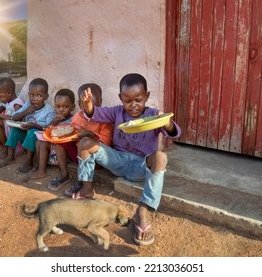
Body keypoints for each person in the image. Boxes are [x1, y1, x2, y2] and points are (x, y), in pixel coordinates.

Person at [75, 73, 181, 246]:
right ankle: (87, 188)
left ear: (147, 96)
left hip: (142, 165)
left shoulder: (153, 115)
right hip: (117, 161)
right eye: (127, 101)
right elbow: (95, 113)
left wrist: (165, 121)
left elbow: (174, 132)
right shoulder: (117, 112)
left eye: (138, 100)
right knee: (86, 142)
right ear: (120, 98)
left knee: (161, 157)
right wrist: (87, 104)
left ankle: (142, 211)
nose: (133, 105)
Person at [48, 83, 113, 193]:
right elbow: (71, 133)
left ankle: (82, 180)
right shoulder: (77, 117)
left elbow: (106, 142)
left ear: (101, 102)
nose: (90, 109)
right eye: (85, 105)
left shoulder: (106, 120)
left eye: (94, 105)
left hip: (96, 160)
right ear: (79, 104)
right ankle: (64, 174)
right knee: (60, 143)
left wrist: (89, 134)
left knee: (85, 142)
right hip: (77, 155)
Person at [0, 78, 55, 173]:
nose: (34, 99)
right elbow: (14, 117)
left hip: (38, 141)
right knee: (15, 130)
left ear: (46, 97)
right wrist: (26, 112)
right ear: (28, 95)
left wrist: (34, 125)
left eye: (39, 96)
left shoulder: (49, 111)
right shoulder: (27, 105)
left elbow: (48, 128)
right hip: (25, 137)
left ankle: (29, 161)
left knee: (32, 132)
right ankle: (10, 156)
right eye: (32, 95)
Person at [29, 88, 76, 180]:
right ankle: (40, 165)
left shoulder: (73, 120)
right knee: (39, 142)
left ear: (73, 107)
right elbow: (46, 129)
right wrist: (53, 122)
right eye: (58, 106)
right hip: (52, 146)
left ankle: (41, 171)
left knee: (43, 144)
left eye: (65, 107)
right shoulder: (54, 117)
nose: (61, 110)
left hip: (63, 150)